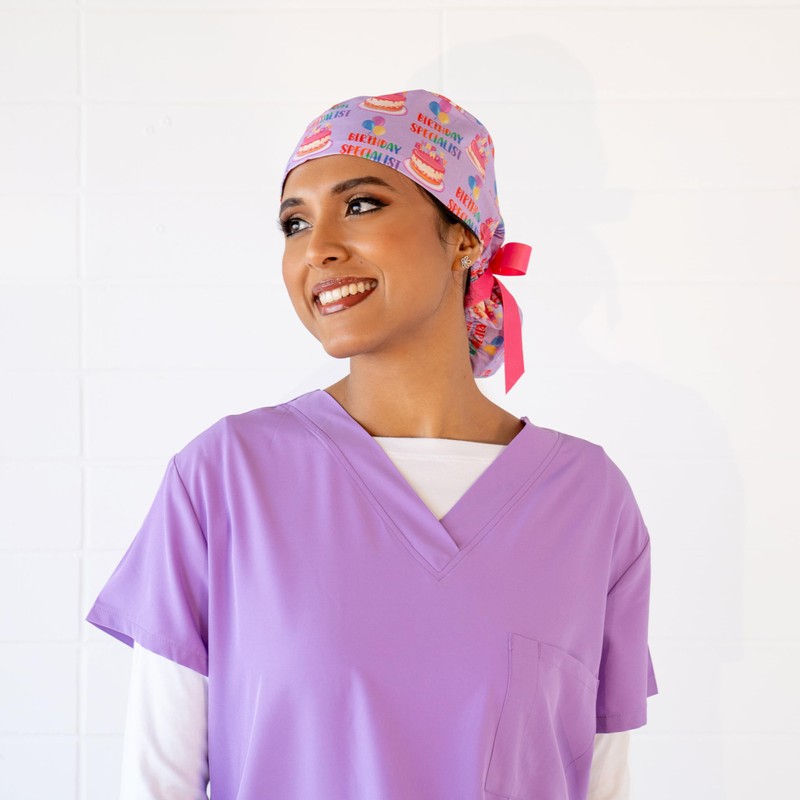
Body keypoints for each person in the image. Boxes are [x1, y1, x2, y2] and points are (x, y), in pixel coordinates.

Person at [86, 89, 658, 800]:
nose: (317, 248)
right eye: (295, 223)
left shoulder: (588, 501)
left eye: (360, 204)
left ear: (465, 237)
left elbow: (602, 782)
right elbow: (157, 783)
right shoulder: (226, 478)